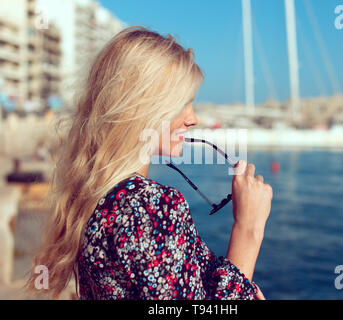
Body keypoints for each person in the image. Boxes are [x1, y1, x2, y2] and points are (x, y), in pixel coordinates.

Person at [25, 26, 272, 300]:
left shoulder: (98, 196)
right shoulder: (150, 207)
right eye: (182, 104)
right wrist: (248, 228)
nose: (193, 119)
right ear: (143, 108)